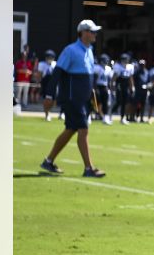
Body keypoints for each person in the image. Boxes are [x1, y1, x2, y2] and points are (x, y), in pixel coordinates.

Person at [40, 20, 106, 177]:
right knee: (83, 129)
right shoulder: (70, 50)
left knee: (71, 130)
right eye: (92, 31)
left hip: (83, 99)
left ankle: (48, 161)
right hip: (72, 98)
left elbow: (88, 77)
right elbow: (57, 73)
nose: (95, 34)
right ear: (83, 32)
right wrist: (49, 95)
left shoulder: (89, 50)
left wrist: (93, 96)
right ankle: (89, 168)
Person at [92, 53, 113, 124]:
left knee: (105, 103)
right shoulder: (97, 68)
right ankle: (90, 116)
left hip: (105, 87)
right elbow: (94, 79)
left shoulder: (108, 69)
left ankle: (105, 117)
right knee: (96, 102)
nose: (106, 62)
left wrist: (110, 88)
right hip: (98, 86)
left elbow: (109, 80)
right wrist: (95, 88)